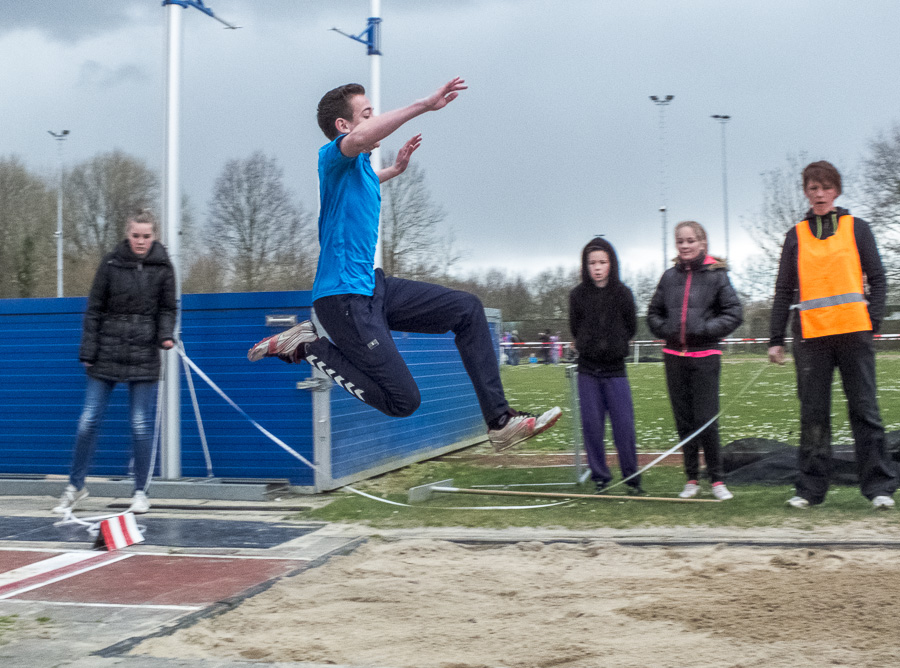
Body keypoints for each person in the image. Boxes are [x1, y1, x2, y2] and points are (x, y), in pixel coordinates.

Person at [247, 78, 561, 450]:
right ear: (343, 126)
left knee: (467, 310)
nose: (376, 119)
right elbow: (361, 141)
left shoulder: (360, 170)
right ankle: (308, 345)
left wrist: (392, 172)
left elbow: (364, 179)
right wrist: (424, 105)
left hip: (372, 287)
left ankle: (500, 422)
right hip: (343, 299)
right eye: (367, 114)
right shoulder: (332, 157)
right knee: (404, 401)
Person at [769, 161, 899, 509]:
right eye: (813, 188)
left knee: (865, 410)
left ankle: (880, 488)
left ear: (836, 191)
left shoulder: (857, 228)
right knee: (813, 416)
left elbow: (880, 278)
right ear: (807, 193)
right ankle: (809, 490)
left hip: (854, 335)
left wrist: (872, 320)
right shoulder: (795, 236)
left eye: (826, 187)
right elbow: (783, 291)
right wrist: (775, 339)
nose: (820, 193)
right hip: (812, 340)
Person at [53, 210, 176, 515]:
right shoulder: (109, 264)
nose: (141, 241)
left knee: (139, 425)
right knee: (87, 422)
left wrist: (165, 335)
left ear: (154, 236)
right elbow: (94, 309)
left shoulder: (164, 268)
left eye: (147, 236)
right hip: (106, 350)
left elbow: (167, 309)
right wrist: (88, 351)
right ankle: (76, 486)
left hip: (144, 353)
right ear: (127, 233)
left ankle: (140, 492)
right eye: (136, 235)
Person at [647, 221, 742, 500]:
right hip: (674, 358)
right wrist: (668, 331)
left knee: (706, 419)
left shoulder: (717, 275)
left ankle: (717, 480)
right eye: (680, 241)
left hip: (705, 357)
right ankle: (691, 478)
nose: (685, 246)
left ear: (702, 243)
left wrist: (705, 330)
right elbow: (653, 314)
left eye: (690, 241)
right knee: (684, 420)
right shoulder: (668, 277)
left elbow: (734, 313)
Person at [569, 237, 643, 495]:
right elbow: (575, 328)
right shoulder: (577, 296)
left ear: (611, 263)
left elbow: (631, 327)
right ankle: (600, 478)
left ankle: (632, 479)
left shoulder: (623, 294)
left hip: (616, 372)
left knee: (624, 426)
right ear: (585, 266)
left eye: (602, 262)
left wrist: (614, 345)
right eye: (592, 263)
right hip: (587, 372)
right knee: (592, 427)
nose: (597, 267)